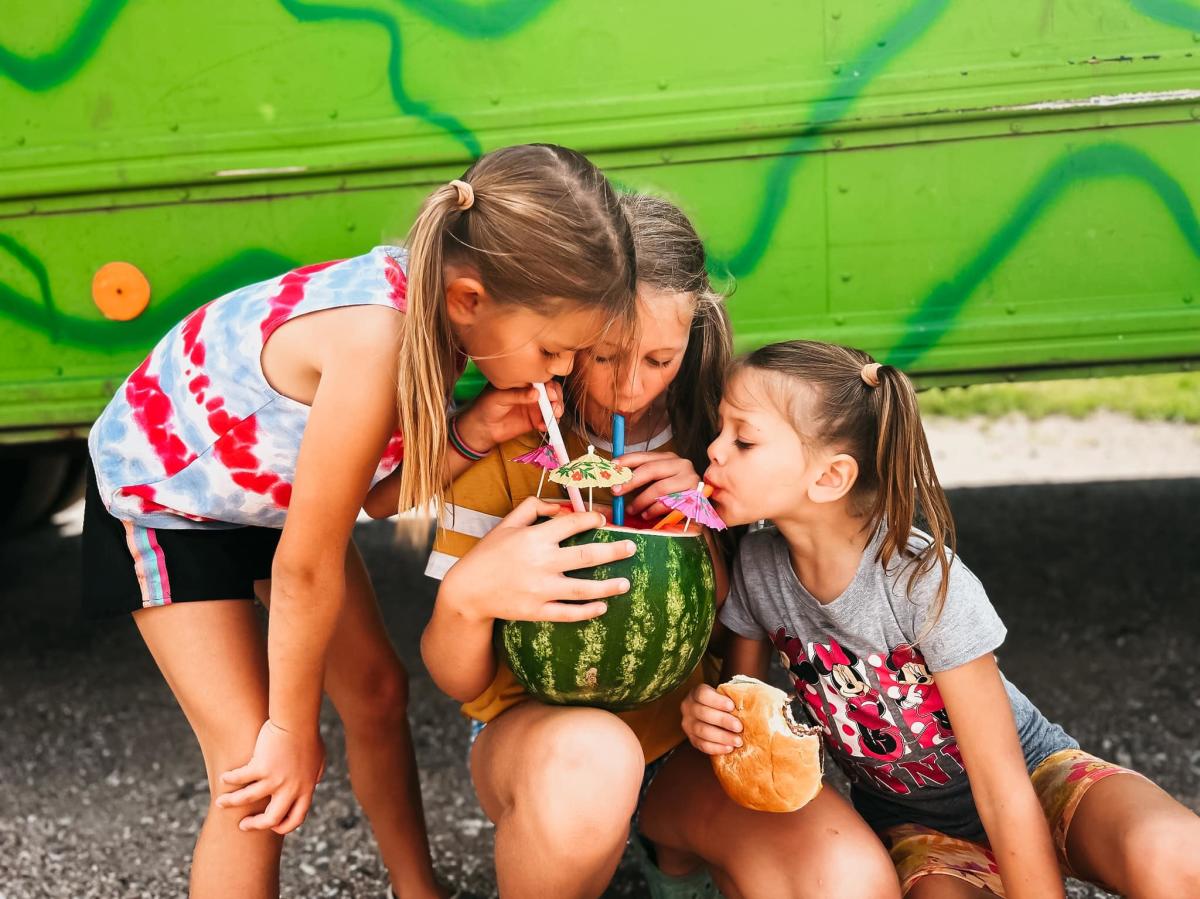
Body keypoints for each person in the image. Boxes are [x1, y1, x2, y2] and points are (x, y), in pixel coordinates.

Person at [82, 144, 639, 899]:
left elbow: (376, 498)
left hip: (267, 496)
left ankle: (418, 891)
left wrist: (469, 432)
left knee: (377, 690)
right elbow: (304, 568)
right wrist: (289, 725)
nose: (565, 370)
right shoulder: (380, 342)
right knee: (254, 772)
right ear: (470, 298)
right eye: (553, 348)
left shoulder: (442, 317)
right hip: (167, 501)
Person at [675, 339, 1200, 898]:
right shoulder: (758, 569)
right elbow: (745, 713)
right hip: (918, 830)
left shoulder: (923, 583)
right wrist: (710, 714)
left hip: (1039, 780)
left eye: (744, 439)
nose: (715, 451)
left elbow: (1003, 789)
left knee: (1170, 854)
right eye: (720, 430)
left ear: (830, 477)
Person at [421, 193, 733, 898]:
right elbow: (456, 678)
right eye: (605, 356)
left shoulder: (716, 438)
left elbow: (733, 613)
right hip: (543, 739)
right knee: (597, 759)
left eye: (659, 358)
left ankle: (672, 858)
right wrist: (470, 594)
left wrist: (699, 519)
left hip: (685, 737)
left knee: (834, 873)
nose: (630, 386)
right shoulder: (512, 447)